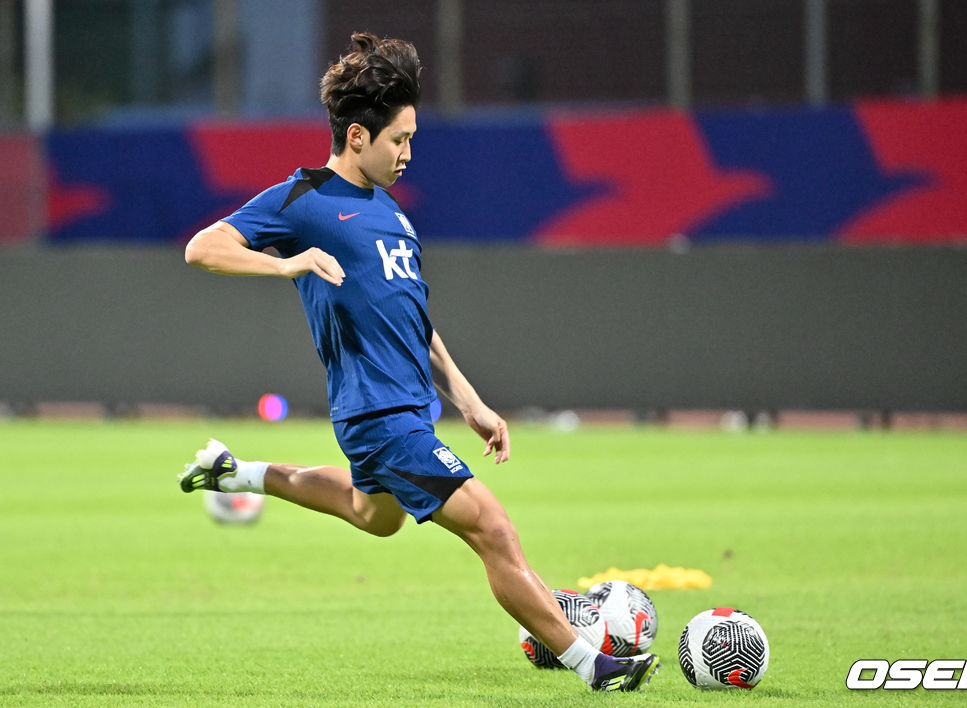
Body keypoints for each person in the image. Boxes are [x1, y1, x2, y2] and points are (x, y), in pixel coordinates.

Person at [178, 32, 659, 693]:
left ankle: (238, 473)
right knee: (491, 526)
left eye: (410, 140)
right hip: (378, 416)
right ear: (355, 137)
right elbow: (204, 247)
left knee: (370, 513)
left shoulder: (394, 215)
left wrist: (467, 396)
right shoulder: (304, 196)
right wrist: (285, 262)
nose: (407, 154)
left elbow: (414, 321)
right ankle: (595, 665)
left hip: (410, 409)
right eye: (397, 140)